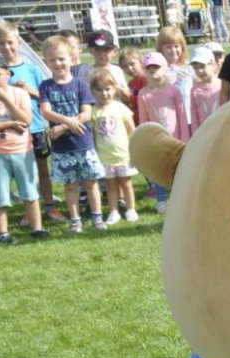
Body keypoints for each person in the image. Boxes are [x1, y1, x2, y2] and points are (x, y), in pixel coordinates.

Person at [0, 52, 50, 244]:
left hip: (23, 151)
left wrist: (6, 100)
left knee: (30, 192)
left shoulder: (20, 94)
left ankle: (37, 228)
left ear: (7, 73)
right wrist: (8, 124)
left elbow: (26, 120)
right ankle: (3, 233)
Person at [0, 21, 64, 225]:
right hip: (15, 128)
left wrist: (29, 91)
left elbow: (46, 94)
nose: (7, 47)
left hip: (37, 127)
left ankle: (50, 206)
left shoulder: (32, 69)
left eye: (10, 42)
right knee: (25, 172)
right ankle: (29, 211)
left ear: (18, 43)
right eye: (1, 44)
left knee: (42, 168)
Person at [39, 36, 107, 233]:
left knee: (91, 183)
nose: (58, 63)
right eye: (52, 60)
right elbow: (46, 111)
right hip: (63, 148)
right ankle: (75, 220)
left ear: (71, 58)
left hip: (83, 144)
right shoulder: (46, 86)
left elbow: (86, 113)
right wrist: (68, 121)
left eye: (61, 58)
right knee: (70, 186)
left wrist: (61, 127)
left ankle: (97, 218)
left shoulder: (80, 85)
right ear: (46, 62)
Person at [138, 52, 190, 212]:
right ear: (145, 71)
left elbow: (182, 115)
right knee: (158, 171)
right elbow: (144, 119)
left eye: (156, 67)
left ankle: (179, 198)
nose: (153, 70)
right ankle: (162, 200)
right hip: (156, 141)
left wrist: (184, 138)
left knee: (178, 170)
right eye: (149, 68)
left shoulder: (174, 91)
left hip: (175, 139)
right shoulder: (144, 94)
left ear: (166, 69)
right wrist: (146, 140)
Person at [90, 68, 139, 224]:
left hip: (123, 155)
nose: (104, 93)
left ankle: (131, 209)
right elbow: (92, 135)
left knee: (126, 183)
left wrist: (134, 148)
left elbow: (131, 130)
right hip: (105, 157)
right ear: (92, 91)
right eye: (99, 90)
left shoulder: (120, 108)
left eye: (107, 89)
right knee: (110, 186)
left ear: (114, 89)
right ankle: (114, 211)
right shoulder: (93, 112)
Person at [157, 26, 194, 122]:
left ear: (182, 47)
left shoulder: (189, 68)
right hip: (172, 120)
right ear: (161, 49)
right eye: (168, 47)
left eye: (176, 46)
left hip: (190, 117)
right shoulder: (160, 71)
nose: (173, 50)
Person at [189, 46, 221, 134]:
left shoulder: (223, 86)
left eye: (202, 66)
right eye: (196, 68)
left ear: (212, 65)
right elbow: (194, 116)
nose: (199, 71)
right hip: (205, 133)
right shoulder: (195, 90)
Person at [87, 29, 129, 95]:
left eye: (106, 50)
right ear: (90, 51)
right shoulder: (87, 71)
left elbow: (127, 96)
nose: (102, 54)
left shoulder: (117, 70)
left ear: (115, 52)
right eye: (97, 50)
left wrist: (116, 87)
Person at [119, 48, 147, 126]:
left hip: (145, 121)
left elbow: (143, 100)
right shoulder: (130, 84)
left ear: (141, 61)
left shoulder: (145, 79)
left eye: (132, 64)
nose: (130, 68)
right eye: (125, 66)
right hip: (136, 122)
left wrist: (128, 96)